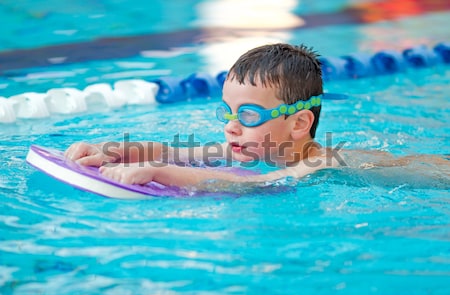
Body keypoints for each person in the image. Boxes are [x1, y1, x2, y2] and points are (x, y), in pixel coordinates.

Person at [64, 43, 448, 191]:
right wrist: (110, 151)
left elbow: (260, 184)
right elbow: (175, 152)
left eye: (247, 114)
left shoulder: (319, 161)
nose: (231, 125)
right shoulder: (251, 146)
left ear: (299, 123)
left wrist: (157, 173)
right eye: (228, 112)